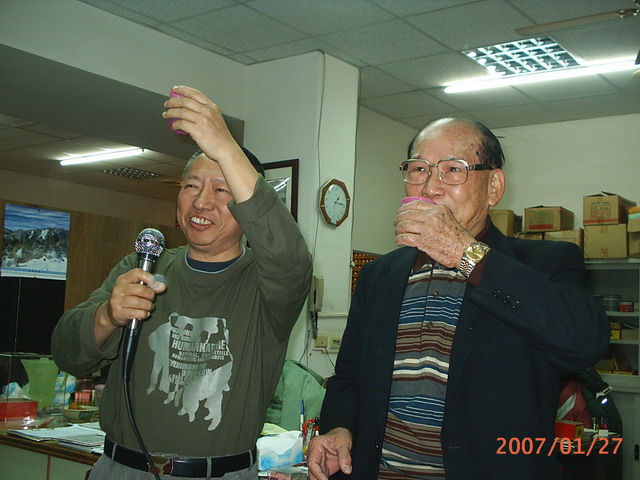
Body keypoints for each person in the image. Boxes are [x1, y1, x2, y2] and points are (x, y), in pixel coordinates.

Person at [306, 117, 609, 480]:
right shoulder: (379, 275)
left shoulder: (543, 264)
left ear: (493, 187)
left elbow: (584, 343)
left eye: (453, 169)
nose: (431, 186)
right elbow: (349, 376)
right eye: (419, 169)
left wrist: (465, 253)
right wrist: (340, 427)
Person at [51, 85, 312, 480]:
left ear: (247, 209)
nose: (201, 202)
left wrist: (225, 147)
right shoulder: (142, 267)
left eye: (222, 189)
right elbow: (67, 353)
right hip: (121, 469)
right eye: (191, 186)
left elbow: (290, 257)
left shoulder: (267, 285)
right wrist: (107, 316)